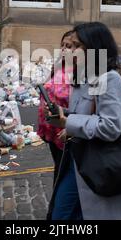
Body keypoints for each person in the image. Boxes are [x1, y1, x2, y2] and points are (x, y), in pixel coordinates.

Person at [45, 22, 121, 220]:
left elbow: (111, 127)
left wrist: (69, 123)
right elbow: (84, 114)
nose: (70, 51)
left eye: (76, 46)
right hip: (78, 160)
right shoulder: (82, 77)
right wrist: (63, 113)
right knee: (63, 212)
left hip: (100, 162)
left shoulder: (109, 79)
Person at [37, 31, 74, 184]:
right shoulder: (60, 66)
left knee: (63, 171)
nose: (64, 49)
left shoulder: (81, 71)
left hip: (66, 129)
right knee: (59, 167)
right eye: (62, 45)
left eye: (69, 46)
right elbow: (47, 85)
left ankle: (58, 204)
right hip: (51, 127)